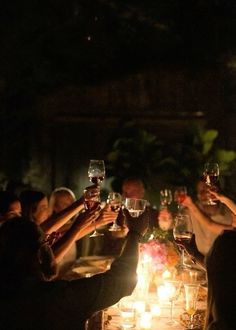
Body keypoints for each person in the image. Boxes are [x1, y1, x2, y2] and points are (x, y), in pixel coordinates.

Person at [0, 208, 148, 330]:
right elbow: (120, 282)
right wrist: (134, 234)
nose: (52, 247)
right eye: (47, 242)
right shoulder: (57, 298)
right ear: (39, 254)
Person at [180, 180, 235, 264]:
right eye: (202, 191)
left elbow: (210, 225)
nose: (206, 194)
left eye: (208, 190)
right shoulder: (189, 212)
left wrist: (191, 205)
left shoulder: (228, 216)